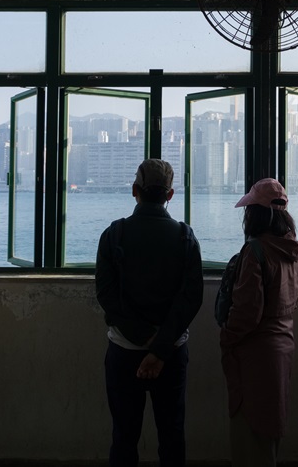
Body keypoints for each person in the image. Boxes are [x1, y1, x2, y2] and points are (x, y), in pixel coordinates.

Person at [95, 159, 203, 467]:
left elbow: (106, 294)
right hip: (171, 353)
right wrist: (159, 348)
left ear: (134, 191)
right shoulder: (185, 237)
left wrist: (143, 338)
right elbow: (191, 297)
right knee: (172, 436)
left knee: (124, 436)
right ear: (170, 195)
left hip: (124, 351)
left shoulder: (114, 234)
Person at [220, 178, 298, 467]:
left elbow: (247, 311)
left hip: (254, 353)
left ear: (255, 214)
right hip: (283, 346)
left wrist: (227, 337)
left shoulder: (255, 251)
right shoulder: (291, 250)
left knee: (249, 436)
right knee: (270, 432)